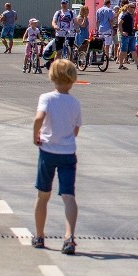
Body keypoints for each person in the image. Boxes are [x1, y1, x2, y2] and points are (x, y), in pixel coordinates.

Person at [31, 59, 82, 254]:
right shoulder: (75, 103)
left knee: (43, 195)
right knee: (69, 196)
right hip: (68, 152)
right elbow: (76, 129)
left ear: (52, 76)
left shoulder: (46, 98)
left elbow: (38, 118)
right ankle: (69, 237)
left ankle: (39, 235)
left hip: (48, 151)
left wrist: (36, 135)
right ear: (73, 79)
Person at [117, 2, 136, 70]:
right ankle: (120, 64)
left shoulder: (131, 15)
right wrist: (122, 32)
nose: (133, 9)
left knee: (133, 49)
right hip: (125, 35)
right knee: (123, 50)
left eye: (134, 7)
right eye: (132, 7)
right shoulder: (125, 15)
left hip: (131, 34)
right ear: (128, 8)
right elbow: (119, 24)